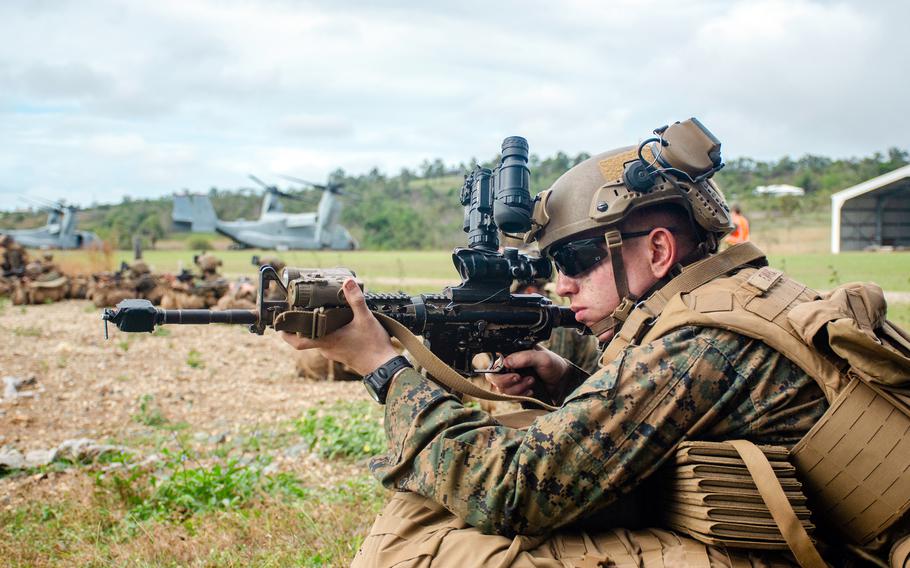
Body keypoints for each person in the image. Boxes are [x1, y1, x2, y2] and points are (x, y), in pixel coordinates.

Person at [278, 120, 878, 565]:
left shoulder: (701, 344)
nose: (561, 283)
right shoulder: (741, 297)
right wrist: (569, 380)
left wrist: (380, 365)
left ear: (660, 250)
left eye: (578, 257)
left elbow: (510, 490)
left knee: (453, 549)